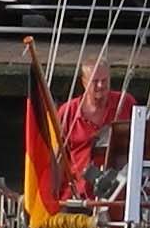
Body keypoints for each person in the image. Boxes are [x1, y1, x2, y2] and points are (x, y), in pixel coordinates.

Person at [54, 57, 135, 207]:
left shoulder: (126, 104)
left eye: (105, 81)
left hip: (117, 195)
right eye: (95, 81)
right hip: (78, 196)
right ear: (84, 82)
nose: (100, 86)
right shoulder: (68, 112)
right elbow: (58, 158)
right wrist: (54, 198)